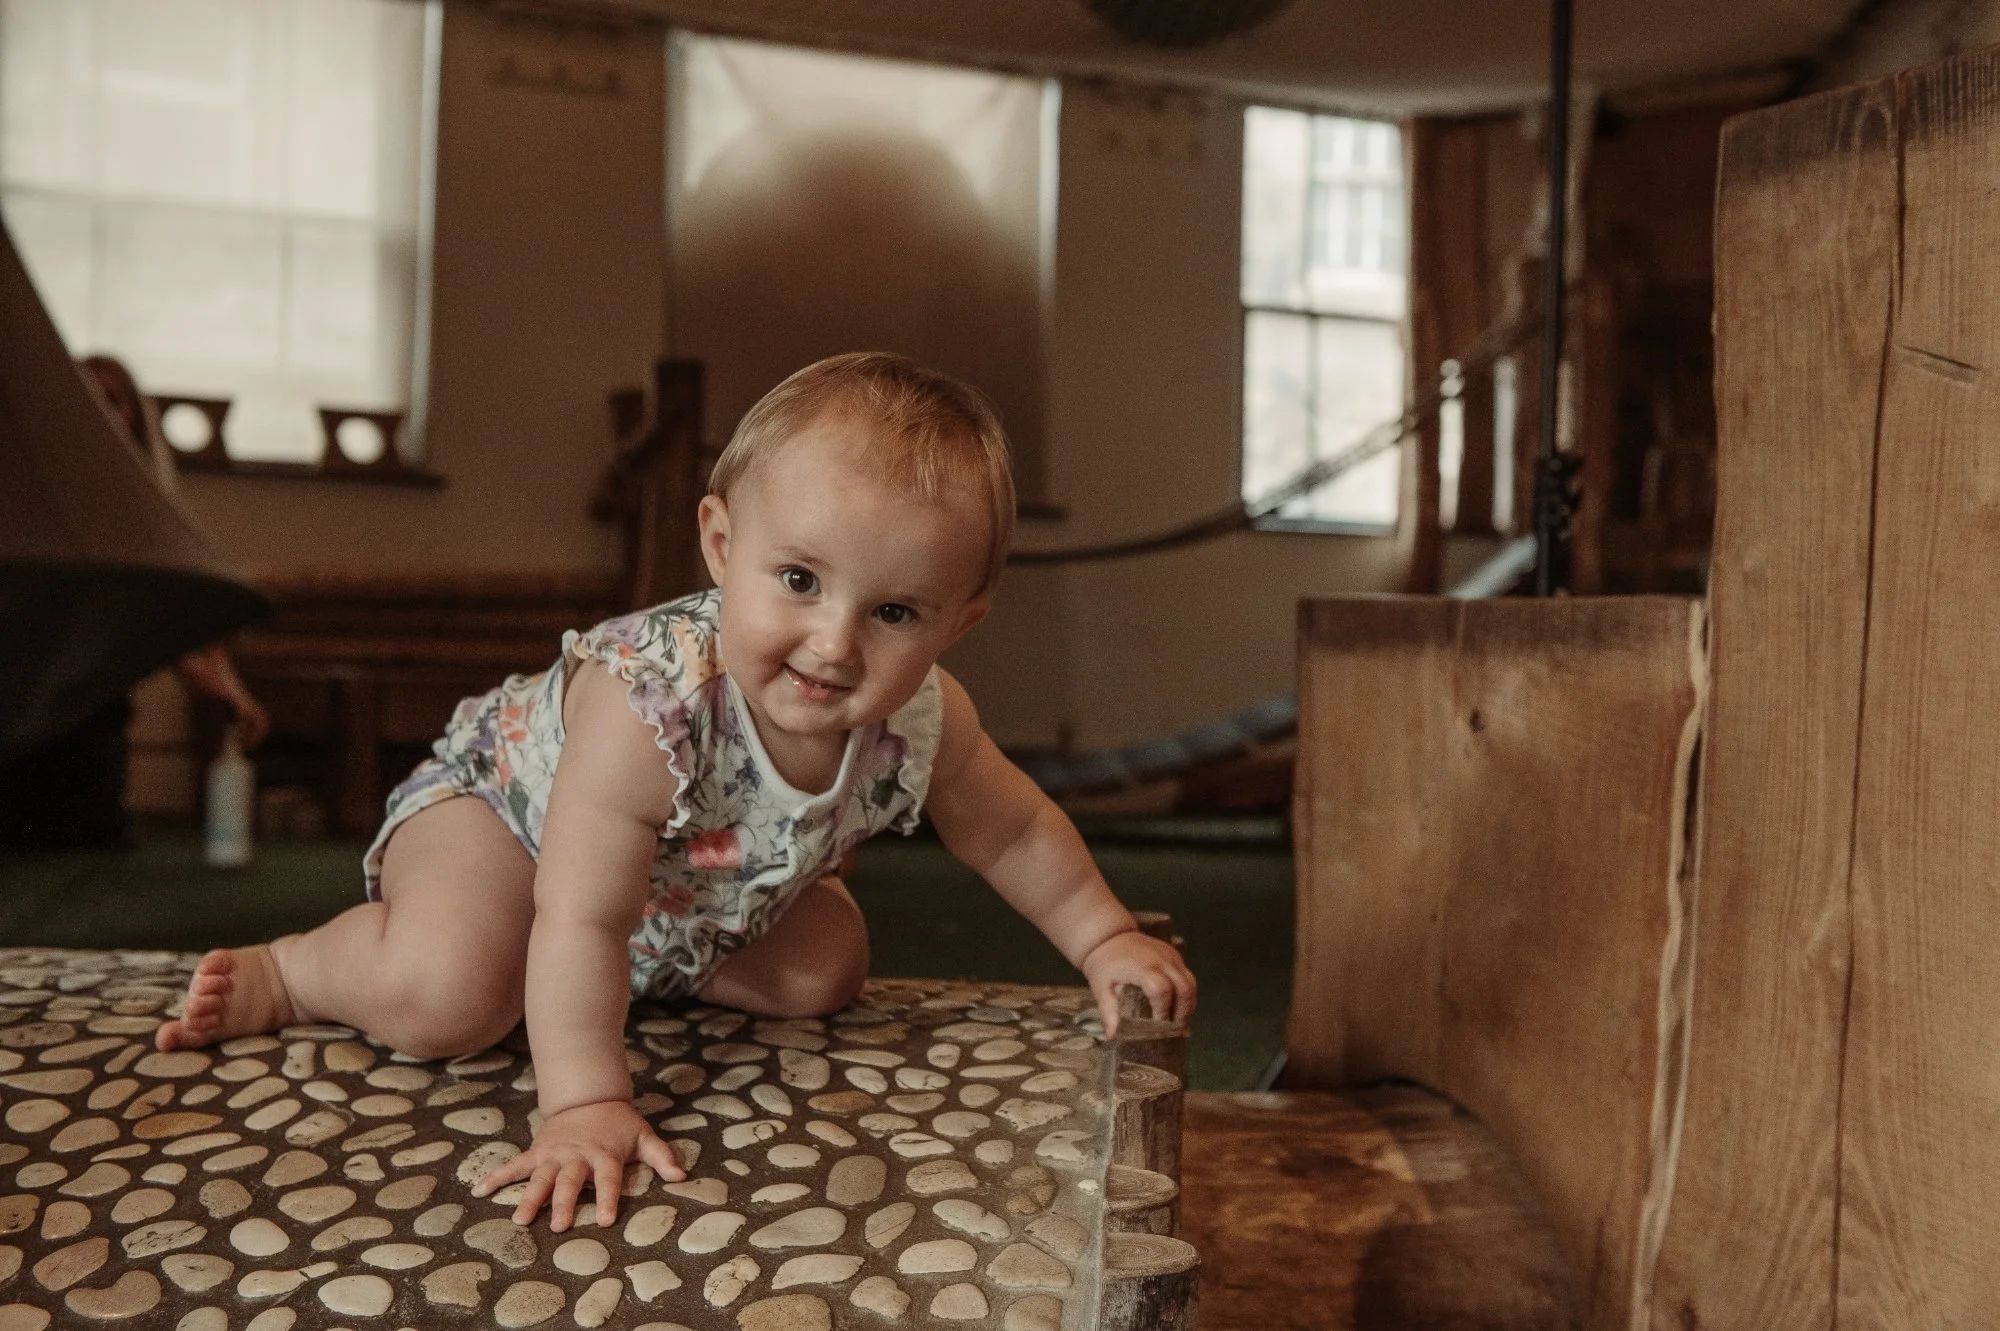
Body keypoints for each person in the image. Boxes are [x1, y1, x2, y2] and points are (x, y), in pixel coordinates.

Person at [153, 352, 1196, 1231]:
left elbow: (1011, 831)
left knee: (823, 967)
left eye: (892, 612)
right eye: (798, 580)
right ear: (720, 546)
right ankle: (295, 971)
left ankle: (606, 982)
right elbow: (583, 904)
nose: (831, 643)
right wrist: (584, 1101)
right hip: (504, 825)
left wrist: (1102, 936)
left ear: (955, 623)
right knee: (452, 992)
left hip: (684, 884)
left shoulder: (924, 716)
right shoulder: (650, 701)